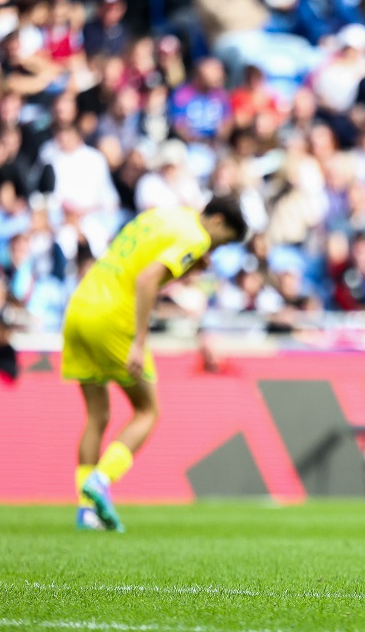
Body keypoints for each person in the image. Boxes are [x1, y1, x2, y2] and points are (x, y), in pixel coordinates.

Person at [63, 196, 248, 532]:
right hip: (114, 315)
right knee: (148, 410)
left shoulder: (167, 213)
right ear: (218, 221)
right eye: (222, 242)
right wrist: (139, 341)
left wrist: (190, 267)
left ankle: (86, 512)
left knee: (97, 415)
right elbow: (147, 279)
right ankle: (101, 480)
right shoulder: (197, 236)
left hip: (81, 305)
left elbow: (135, 256)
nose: (214, 250)